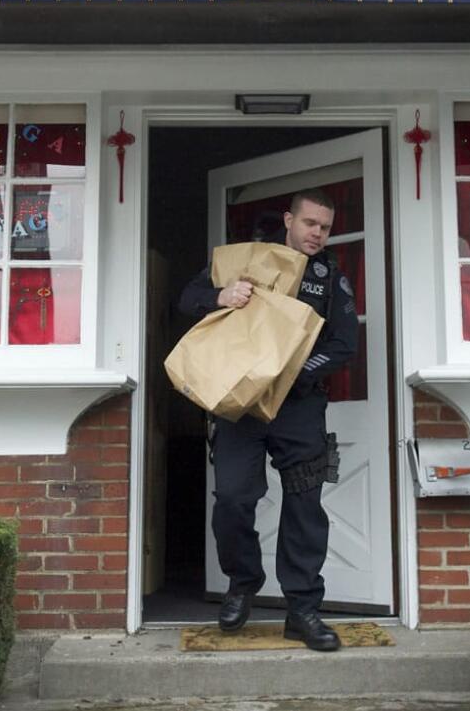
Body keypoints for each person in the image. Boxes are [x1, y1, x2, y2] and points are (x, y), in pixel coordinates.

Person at [178, 188, 359, 651]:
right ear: (288, 219)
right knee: (233, 498)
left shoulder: (328, 276)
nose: (317, 233)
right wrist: (222, 294)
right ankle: (242, 583)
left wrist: (292, 374)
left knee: (304, 509)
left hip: (299, 409)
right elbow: (187, 299)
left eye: (325, 227)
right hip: (241, 407)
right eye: (309, 223)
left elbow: (344, 346)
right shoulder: (249, 260)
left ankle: (302, 610)